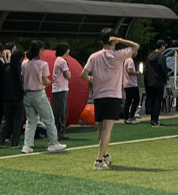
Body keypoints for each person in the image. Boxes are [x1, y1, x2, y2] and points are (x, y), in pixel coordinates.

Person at [80, 29, 140, 171]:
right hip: (113, 96)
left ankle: (104, 155)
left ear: (101, 41)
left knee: (101, 128)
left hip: (99, 96)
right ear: (113, 41)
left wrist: (90, 79)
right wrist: (120, 40)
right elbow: (136, 46)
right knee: (107, 129)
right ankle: (99, 160)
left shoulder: (94, 56)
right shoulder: (117, 55)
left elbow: (83, 74)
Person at [21, 41, 66, 154]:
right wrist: (48, 82)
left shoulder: (24, 63)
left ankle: (27, 146)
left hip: (27, 95)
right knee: (49, 119)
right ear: (40, 50)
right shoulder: (43, 64)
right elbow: (45, 81)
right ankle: (53, 143)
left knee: (31, 121)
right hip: (39, 94)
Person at [0, 48, 24, 149]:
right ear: (21, 59)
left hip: (7, 98)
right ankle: (15, 142)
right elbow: (20, 84)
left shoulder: (7, 69)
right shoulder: (20, 69)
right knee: (17, 120)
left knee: (6, 119)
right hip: (18, 98)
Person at [144, 40, 170, 127]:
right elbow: (163, 69)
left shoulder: (150, 56)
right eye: (164, 46)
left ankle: (152, 120)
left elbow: (146, 70)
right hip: (158, 81)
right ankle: (155, 120)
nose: (164, 47)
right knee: (157, 101)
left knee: (151, 100)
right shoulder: (161, 57)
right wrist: (166, 78)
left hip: (149, 81)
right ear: (162, 46)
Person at [51, 43, 73, 140]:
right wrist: (69, 74)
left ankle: (58, 132)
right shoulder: (62, 61)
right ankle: (59, 133)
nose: (69, 51)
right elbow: (67, 75)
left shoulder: (58, 60)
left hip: (58, 89)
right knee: (61, 112)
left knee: (59, 111)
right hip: (61, 88)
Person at [122, 56, 142, 124]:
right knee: (136, 100)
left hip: (126, 83)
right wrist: (137, 73)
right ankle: (131, 117)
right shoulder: (130, 60)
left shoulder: (125, 60)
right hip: (131, 84)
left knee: (128, 101)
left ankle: (126, 117)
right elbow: (129, 71)